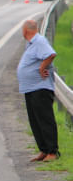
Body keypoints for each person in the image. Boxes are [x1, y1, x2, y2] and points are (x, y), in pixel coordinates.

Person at [17, 20, 58, 162]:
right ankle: (44, 150)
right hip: (30, 88)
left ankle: (52, 151)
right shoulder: (30, 44)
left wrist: (42, 68)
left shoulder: (39, 41)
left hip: (40, 88)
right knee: (35, 121)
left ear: (26, 31)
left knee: (45, 120)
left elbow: (51, 54)